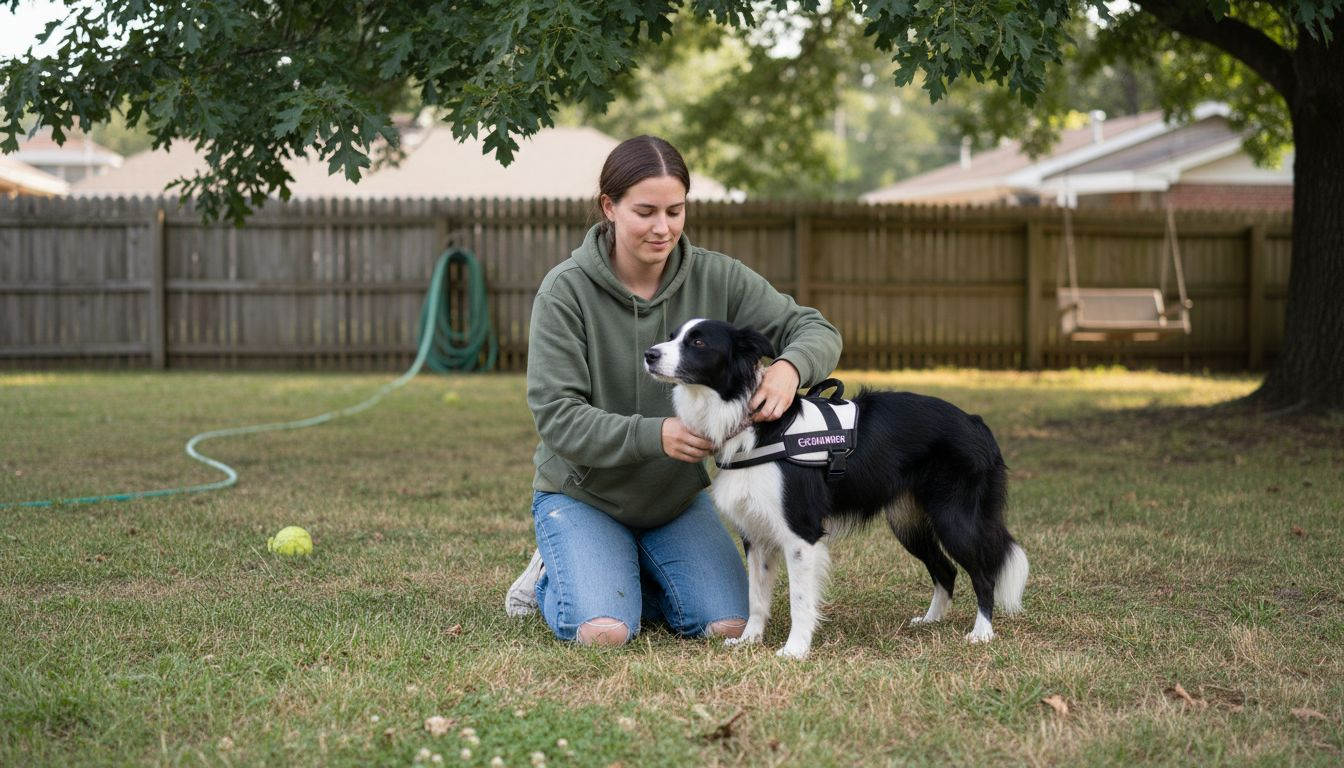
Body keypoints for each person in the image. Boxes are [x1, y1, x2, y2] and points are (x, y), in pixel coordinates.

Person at [506, 135, 842, 646]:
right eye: (645, 211)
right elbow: (557, 416)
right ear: (609, 207)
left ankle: (628, 570)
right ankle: (555, 570)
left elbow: (816, 328)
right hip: (586, 495)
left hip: (675, 502)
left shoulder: (717, 276)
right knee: (605, 632)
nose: (663, 228)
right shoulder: (565, 291)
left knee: (724, 626)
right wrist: (654, 435)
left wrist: (790, 368)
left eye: (675, 210)